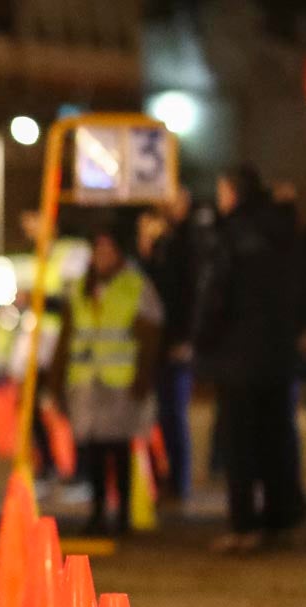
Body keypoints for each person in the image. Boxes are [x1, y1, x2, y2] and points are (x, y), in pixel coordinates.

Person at [196, 166, 306, 553]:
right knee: (277, 438)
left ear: (233, 192)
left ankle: (244, 523)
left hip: (239, 354)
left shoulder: (231, 234)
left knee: (239, 444)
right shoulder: (287, 230)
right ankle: (282, 517)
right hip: (279, 354)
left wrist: (204, 341)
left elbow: (216, 295)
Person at [51, 225, 163, 537]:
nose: (102, 258)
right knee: (93, 450)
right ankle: (98, 511)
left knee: (120, 449)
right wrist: (57, 381)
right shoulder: (80, 288)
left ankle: (122, 514)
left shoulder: (135, 286)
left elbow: (151, 336)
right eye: (98, 251)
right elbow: (65, 337)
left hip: (120, 382)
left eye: (108, 251)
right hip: (87, 382)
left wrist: (143, 377)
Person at [138, 190, 200, 502]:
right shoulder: (165, 244)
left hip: (175, 344)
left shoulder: (190, 241)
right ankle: (164, 477)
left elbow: (188, 294)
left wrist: (186, 339)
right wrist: (147, 251)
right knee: (155, 415)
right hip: (157, 344)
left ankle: (178, 479)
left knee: (173, 413)